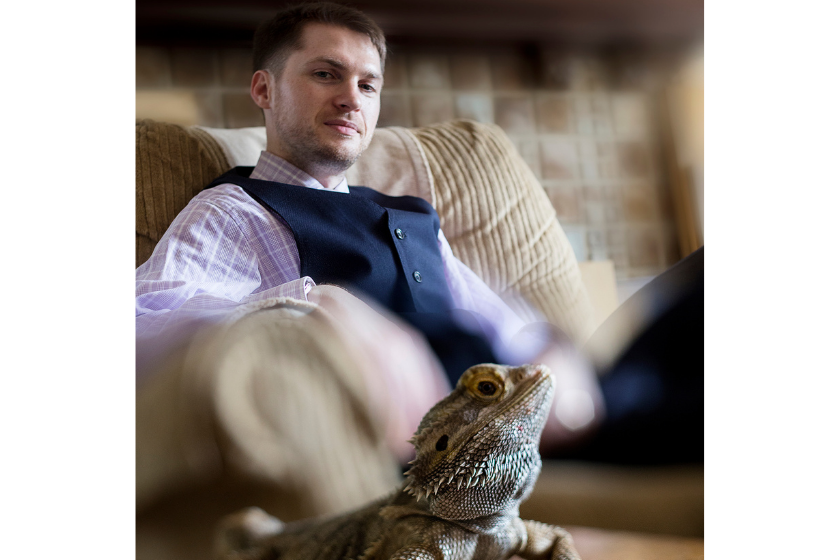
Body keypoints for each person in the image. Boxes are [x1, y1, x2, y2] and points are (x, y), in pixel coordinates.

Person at [135, 2, 604, 456]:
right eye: (325, 74)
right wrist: (306, 309)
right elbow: (147, 318)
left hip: (515, 429)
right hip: (416, 454)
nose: (350, 99)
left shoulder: (415, 217)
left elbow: (502, 329)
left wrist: (552, 352)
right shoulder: (236, 210)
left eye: (368, 85)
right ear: (264, 90)